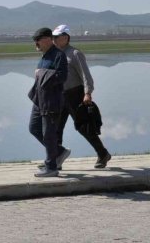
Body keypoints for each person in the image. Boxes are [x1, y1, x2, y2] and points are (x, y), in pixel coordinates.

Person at [52, 24, 112, 169]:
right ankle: (56, 158)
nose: (54, 39)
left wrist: (87, 93)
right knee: (55, 128)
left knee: (83, 127)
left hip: (75, 94)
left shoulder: (75, 53)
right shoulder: (54, 54)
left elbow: (86, 75)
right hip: (60, 96)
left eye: (56, 37)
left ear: (65, 37)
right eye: (53, 37)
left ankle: (103, 153)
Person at [27, 27, 70, 177]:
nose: (36, 44)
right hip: (40, 101)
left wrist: (42, 73)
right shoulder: (45, 56)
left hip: (52, 101)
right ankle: (58, 152)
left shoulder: (59, 55)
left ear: (46, 39)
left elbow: (62, 76)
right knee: (34, 128)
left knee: (48, 134)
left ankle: (51, 167)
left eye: (37, 41)